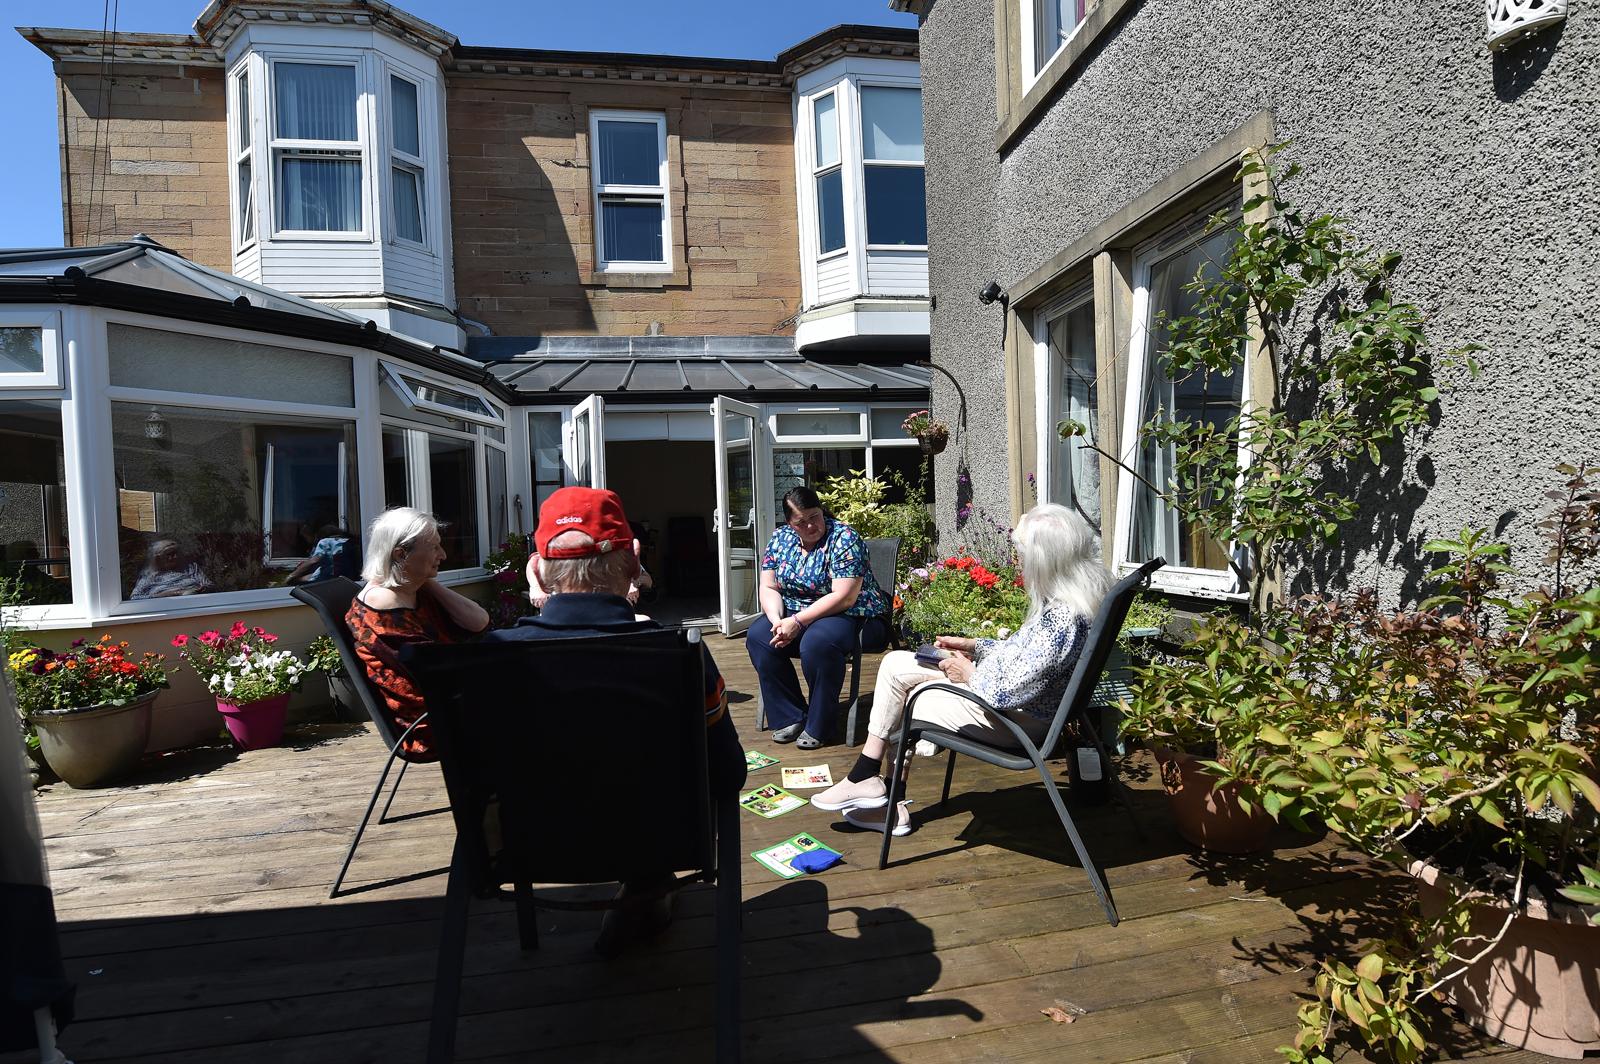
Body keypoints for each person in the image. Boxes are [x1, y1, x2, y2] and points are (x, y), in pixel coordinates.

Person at [487, 486, 746, 955]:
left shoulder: (492, 659)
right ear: (632, 562)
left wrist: (538, 598)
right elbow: (729, 771)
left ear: (538, 568)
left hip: (529, 842)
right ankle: (645, 890)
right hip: (661, 839)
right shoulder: (677, 652)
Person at [808, 504, 1108, 837]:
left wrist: (966, 671)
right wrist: (975, 646)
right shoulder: (1074, 603)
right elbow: (1026, 661)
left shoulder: (1061, 620)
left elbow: (1008, 689)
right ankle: (870, 784)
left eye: (1024, 554)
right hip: (1025, 710)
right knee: (895, 664)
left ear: (1045, 559)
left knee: (912, 697)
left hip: (1017, 722)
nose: (1021, 562)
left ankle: (883, 798)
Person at [746, 486, 891, 750]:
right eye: (801, 522)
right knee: (758, 636)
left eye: (815, 516)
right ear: (790, 523)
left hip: (853, 614)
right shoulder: (780, 538)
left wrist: (798, 621)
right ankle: (789, 715)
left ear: (822, 511)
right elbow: (768, 587)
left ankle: (820, 724)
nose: (811, 525)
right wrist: (777, 619)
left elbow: (844, 596)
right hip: (796, 611)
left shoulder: (844, 538)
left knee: (818, 642)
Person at [345, 508, 490, 759]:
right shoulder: (384, 610)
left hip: (450, 705)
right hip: (431, 724)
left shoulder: (411, 590)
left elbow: (478, 622)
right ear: (400, 554)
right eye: (434, 547)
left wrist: (427, 579)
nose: (443, 555)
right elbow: (438, 674)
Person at [524, 536, 653, 610]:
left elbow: (647, 580)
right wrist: (535, 588)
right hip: (562, 618)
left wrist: (632, 582)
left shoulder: (613, 558)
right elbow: (533, 563)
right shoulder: (561, 555)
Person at [129, 539, 212, 599]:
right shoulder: (150, 576)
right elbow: (135, 597)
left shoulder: (190, 568)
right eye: (170, 554)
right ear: (158, 559)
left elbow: (209, 585)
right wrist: (162, 595)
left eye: (176, 553)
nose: (175, 557)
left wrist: (200, 590)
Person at [285, 525, 358, 585]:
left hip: (328, 580)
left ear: (317, 535)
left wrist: (292, 576)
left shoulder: (325, 542)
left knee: (297, 580)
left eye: (306, 537)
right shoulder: (349, 542)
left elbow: (314, 561)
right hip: (349, 580)